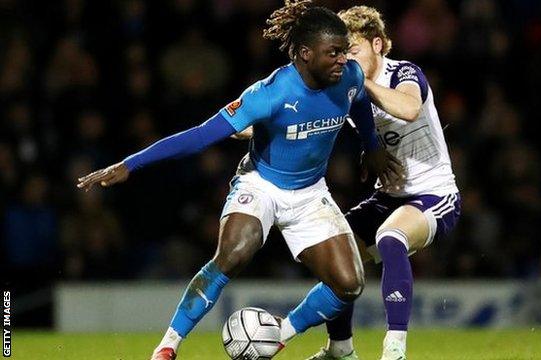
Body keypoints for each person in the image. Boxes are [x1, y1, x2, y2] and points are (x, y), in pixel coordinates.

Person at [76, 1, 402, 359]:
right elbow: (200, 136)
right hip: (260, 184)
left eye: (344, 51)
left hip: (310, 193)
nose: (344, 59)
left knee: (349, 284)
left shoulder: (350, 77)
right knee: (233, 253)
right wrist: (131, 164)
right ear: (306, 54)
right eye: (334, 52)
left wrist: (371, 145)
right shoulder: (270, 94)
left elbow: (357, 105)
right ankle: (168, 345)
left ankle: (279, 334)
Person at [306, 6, 461, 360]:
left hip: (433, 193)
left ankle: (394, 349)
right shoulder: (344, 90)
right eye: (342, 54)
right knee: (337, 254)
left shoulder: (404, 73)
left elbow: (408, 109)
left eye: (354, 51)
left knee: (390, 238)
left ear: (378, 44)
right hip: (387, 196)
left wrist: (365, 85)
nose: (347, 62)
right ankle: (340, 350)